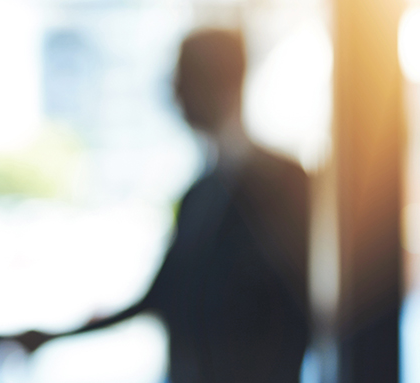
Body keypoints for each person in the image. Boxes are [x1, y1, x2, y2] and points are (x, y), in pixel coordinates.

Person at [18, 29, 311, 383]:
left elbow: (297, 311)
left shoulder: (283, 182)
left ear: (225, 81)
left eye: (184, 77)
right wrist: (53, 337)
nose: (175, 93)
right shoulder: (200, 193)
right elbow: (160, 296)